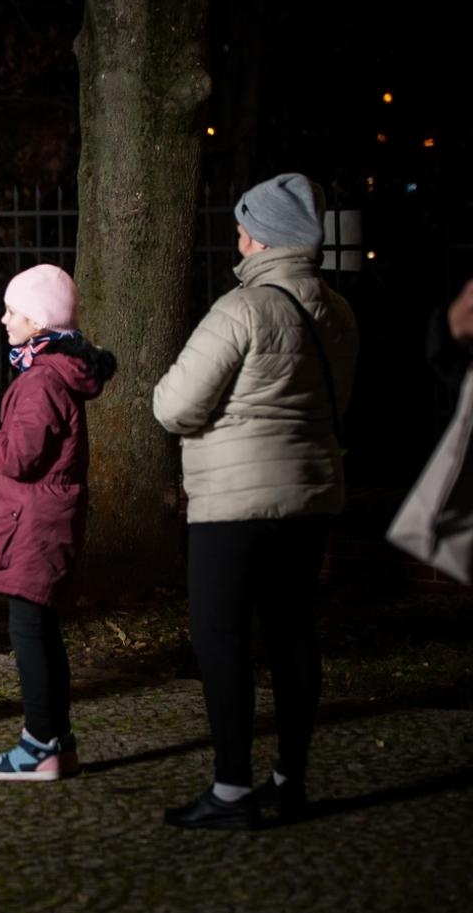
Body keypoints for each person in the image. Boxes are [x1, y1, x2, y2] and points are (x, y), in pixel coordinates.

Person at [153, 172, 358, 831]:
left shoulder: (241, 309)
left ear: (265, 237)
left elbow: (174, 405)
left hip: (235, 503)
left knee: (222, 636)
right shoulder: (338, 310)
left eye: (244, 227)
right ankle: (288, 779)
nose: (237, 239)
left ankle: (232, 789)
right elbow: (338, 403)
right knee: (294, 633)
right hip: (312, 493)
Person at [0, 264, 116, 782]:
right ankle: (56, 742)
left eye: (13, 310)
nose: (3, 319)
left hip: (33, 524)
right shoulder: (55, 372)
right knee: (40, 631)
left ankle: (41, 745)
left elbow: (19, 458)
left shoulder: (41, 380)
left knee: (31, 633)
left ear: (37, 321)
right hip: (42, 520)